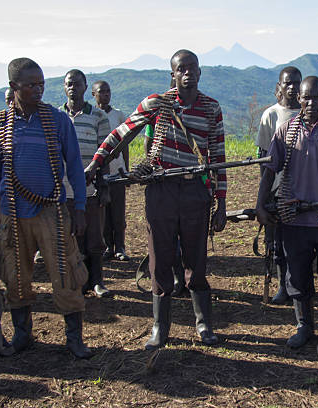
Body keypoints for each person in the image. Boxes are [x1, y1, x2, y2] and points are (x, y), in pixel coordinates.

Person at [85, 49, 227, 349]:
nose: (187, 73)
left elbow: (218, 158)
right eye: (181, 68)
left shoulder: (212, 109)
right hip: (161, 193)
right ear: (172, 75)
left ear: (200, 72)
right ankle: (160, 329)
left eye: (192, 68)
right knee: (160, 260)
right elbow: (121, 133)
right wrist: (96, 163)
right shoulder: (156, 103)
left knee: (196, 261)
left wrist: (221, 203)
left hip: (194, 194)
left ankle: (204, 325)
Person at [0, 57, 92, 358]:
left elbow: (74, 167)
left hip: (51, 211)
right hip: (11, 210)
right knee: (15, 274)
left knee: (67, 273)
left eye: (41, 84)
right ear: (13, 87)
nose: (37, 90)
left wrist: (79, 208)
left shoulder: (57, 120)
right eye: (30, 85)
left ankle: (74, 340)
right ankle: (22, 335)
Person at [256, 76, 318, 363]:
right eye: (306, 98)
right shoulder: (286, 129)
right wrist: (260, 205)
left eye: (317, 97)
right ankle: (305, 327)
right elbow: (269, 171)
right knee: (297, 277)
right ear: (298, 99)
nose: (311, 103)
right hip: (294, 221)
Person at [60, 70, 112, 298]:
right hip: (64, 188)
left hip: (90, 187)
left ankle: (97, 281)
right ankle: (80, 280)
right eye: (69, 84)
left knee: (94, 237)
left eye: (77, 84)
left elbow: (105, 152)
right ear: (64, 87)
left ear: (85, 86)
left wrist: (104, 186)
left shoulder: (98, 116)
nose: (73, 88)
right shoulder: (57, 116)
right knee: (73, 237)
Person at [255, 66, 302, 304]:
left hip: (304, 190)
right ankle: (283, 286)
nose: (293, 88)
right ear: (279, 87)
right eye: (288, 83)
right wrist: (263, 197)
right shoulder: (271, 115)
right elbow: (264, 159)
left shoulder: (309, 113)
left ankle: (299, 287)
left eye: (297, 83)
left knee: (299, 242)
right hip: (276, 191)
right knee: (276, 244)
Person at [91, 80, 131, 262]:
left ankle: (120, 247)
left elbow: (125, 145)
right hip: (101, 172)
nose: (106, 95)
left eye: (108, 91)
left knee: (118, 212)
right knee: (104, 213)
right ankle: (108, 246)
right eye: (102, 92)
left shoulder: (119, 115)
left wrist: (127, 169)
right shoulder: (93, 116)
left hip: (117, 171)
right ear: (94, 95)